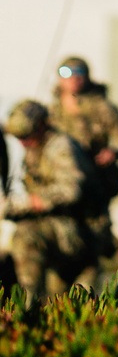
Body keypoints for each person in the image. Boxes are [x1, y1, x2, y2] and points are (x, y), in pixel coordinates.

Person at [2, 100, 101, 302]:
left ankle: (28, 305)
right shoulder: (36, 148)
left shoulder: (60, 147)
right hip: (59, 229)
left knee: (26, 235)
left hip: (76, 230)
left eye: (26, 135)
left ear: (40, 126)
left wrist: (28, 203)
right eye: (19, 137)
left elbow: (71, 191)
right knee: (58, 297)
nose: (23, 142)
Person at [48, 55, 118, 266]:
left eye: (79, 73)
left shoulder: (102, 108)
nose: (73, 79)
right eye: (66, 73)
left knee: (94, 237)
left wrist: (112, 153)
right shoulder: (52, 111)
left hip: (94, 182)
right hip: (61, 180)